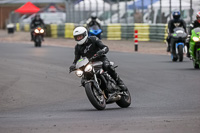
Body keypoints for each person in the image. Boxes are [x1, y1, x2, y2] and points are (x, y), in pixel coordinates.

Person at [69, 26, 127, 91]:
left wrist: (102, 51)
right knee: (83, 80)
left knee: (107, 66)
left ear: (85, 34)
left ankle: (119, 82)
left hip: (101, 59)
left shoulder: (93, 39)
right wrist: (73, 65)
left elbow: (104, 47)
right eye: (77, 37)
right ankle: (95, 91)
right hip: (89, 63)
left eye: (80, 36)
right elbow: (76, 59)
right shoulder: (77, 47)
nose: (79, 38)